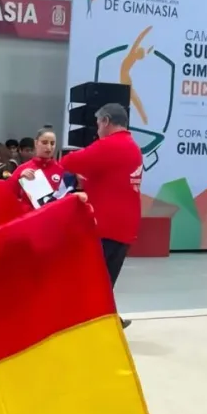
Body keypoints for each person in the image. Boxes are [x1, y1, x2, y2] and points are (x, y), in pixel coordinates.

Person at [59, 103, 142, 329]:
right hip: (124, 226)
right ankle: (105, 321)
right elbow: (109, 179)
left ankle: (92, 325)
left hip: (107, 226)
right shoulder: (132, 147)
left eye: (98, 124)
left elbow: (69, 162)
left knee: (91, 280)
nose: (97, 130)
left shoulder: (110, 145)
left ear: (106, 121)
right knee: (104, 282)